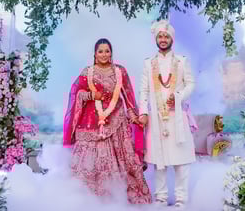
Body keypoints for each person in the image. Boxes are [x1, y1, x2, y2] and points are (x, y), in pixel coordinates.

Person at [63, 38, 152, 204]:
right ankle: (87, 200)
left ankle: (116, 199)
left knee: (124, 162)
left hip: (117, 123)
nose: (104, 54)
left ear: (111, 53)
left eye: (107, 51)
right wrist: (91, 95)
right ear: (95, 54)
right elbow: (76, 93)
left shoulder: (120, 71)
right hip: (90, 124)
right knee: (87, 165)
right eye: (100, 51)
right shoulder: (87, 72)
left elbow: (129, 97)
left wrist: (134, 116)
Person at [139, 20, 196, 208]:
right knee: (159, 160)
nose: (163, 40)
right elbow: (143, 91)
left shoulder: (182, 61)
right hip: (156, 118)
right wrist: (143, 113)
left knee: (181, 161)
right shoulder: (149, 63)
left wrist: (179, 96)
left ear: (172, 39)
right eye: (160, 37)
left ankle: (181, 200)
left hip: (177, 116)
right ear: (156, 39)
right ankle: (161, 199)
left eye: (166, 36)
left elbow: (191, 84)